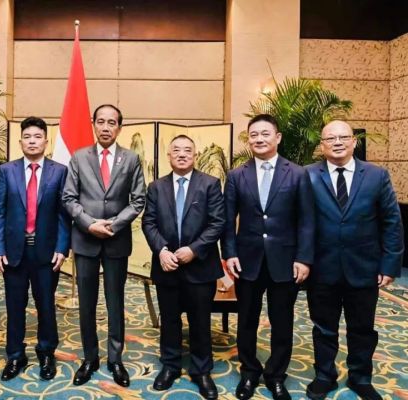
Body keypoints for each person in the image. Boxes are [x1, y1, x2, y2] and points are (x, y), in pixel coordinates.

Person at [304, 120, 404, 400]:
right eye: (330, 138)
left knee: (362, 328)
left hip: (364, 267)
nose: (337, 142)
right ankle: (324, 376)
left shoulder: (376, 175)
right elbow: (298, 221)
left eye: (343, 137)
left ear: (354, 141)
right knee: (323, 328)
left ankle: (360, 377)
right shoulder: (307, 175)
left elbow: (391, 222)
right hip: (321, 267)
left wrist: (389, 264)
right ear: (322, 145)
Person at [222, 114, 315, 400]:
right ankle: (249, 372)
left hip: (285, 261)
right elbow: (227, 220)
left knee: (282, 321)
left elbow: (307, 220)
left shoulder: (297, 173)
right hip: (247, 261)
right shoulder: (237, 175)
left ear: (278, 137)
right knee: (246, 320)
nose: (259, 139)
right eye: (254, 135)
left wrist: (304, 258)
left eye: (265, 134)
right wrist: (230, 254)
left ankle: (276, 375)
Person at [62, 104, 146, 387]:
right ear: (94, 124)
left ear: (119, 127)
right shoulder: (79, 157)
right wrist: (89, 224)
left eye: (112, 122)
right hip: (85, 240)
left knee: (115, 302)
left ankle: (115, 358)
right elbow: (69, 198)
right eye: (101, 121)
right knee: (86, 303)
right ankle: (90, 357)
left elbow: (138, 199)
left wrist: (113, 224)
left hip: (116, 240)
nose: (106, 127)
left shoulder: (131, 158)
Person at [142, 135, 225, 400]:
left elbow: (217, 222)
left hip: (200, 266)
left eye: (187, 150)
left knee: (200, 321)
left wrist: (194, 249)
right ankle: (170, 365)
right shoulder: (156, 187)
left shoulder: (210, 184)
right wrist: (161, 250)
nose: (181, 154)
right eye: (176, 150)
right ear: (168, 156)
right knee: (169, 320)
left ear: (195, 155)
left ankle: (201, 371)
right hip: (166, 266)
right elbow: (148, 223)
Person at [0, 117, 71, 381]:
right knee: (15, 305)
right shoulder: (7, 170)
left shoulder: (59, 171)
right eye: (27, 137)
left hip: (46, 252)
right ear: (20, 141)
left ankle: (46, 353)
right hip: (14, 251)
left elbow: (63, 214)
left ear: (46, 141)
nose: (32, 141)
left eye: (37, 137)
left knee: (46, 304)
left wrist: (62, 247)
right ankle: (15, 355)